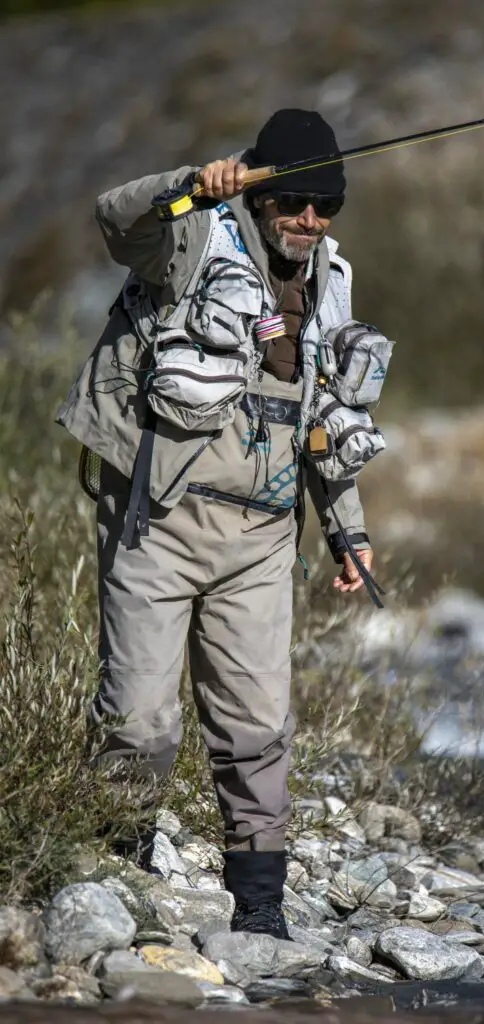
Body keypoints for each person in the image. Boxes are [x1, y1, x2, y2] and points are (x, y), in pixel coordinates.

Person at [57, 109, 392, 939]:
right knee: (139, 721)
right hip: (159, 518)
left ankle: (261, 910)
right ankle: (112, 877)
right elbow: (112, 218)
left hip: (263, 539)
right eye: (294, 203)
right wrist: (190, 184)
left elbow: (328, 418)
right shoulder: (192, 239)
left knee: (255, 728)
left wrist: (346, 529)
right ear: (261, 192)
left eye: (325, 207)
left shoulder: (331, 281)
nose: (309, 221)